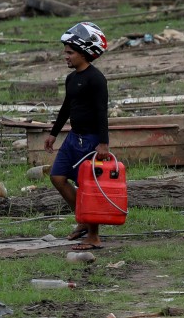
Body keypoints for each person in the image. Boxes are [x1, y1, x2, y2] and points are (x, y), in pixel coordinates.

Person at [44, 21, 111, 250]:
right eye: (66, 52)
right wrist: (53, 133)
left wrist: (103, 143)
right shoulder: (72, 78)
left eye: (70, 52)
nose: (65, 56)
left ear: (84, 53)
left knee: (88, 187)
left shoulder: (96, 79)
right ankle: (83, 218)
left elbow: (102, 112)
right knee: (57, 177)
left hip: (92, 140)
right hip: (74, 138)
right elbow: (66, 107)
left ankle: (94, 236)